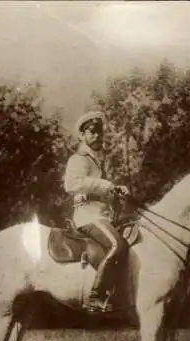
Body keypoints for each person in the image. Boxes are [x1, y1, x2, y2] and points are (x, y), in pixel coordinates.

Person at [63, 110, 130, 311]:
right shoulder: (79, 158)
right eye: (92, 132)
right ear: (82, 136)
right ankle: (95, 295)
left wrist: (116, 190)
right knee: (118, 245)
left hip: (99, 214)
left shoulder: (95, 162)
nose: (97, 136)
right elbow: (72, 184)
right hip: (86, 215)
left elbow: (98, 188)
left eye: (99, 132)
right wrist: (107, 185)